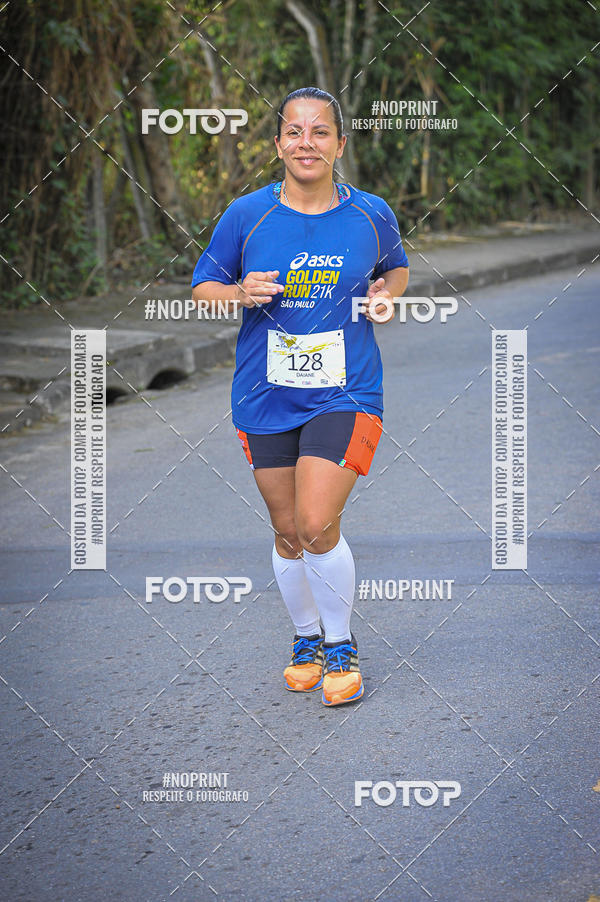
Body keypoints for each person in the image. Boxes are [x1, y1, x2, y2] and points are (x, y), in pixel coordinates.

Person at [191, 86, 409, 706]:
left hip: (347, 392)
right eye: (294, 131)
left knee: (317, 522)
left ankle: (341, 643)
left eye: (320, 132)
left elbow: (396, 265)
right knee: (287, 529)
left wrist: (387, 293)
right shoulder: (247, 214)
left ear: (340, 144)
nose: (305, 143)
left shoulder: (370, 213)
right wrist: (241, 292)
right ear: (278, 144)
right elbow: (205, 285)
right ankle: (305, 636)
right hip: (265, 394)